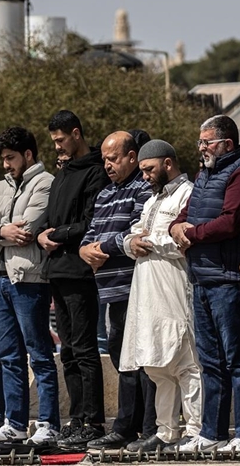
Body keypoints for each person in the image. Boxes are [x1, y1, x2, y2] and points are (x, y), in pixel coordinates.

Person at [170, 115, 240, 452]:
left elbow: (230, 222)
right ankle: (212, 431)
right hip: (202, 278)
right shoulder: (205, 174)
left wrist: (192, 235)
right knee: (209, 361)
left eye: (207, 142)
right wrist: (176, 229)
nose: (202, 148)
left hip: (229, 279)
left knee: (238, 358)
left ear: (227, 143)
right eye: (200, 142)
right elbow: (186, 214)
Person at [0, 127, 58, 444]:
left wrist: (0, 230)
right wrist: (3, 231)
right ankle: (16, 424)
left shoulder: (45, 182)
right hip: (0, 277)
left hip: (29, 279)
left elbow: (29, 226)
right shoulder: (2, 186)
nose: (6, 164)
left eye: (10, 158)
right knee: (9, 355)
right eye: (3, 159)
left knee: (39, 353)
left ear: (27, 155)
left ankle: (49, 424)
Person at [120, 140, 199, 451]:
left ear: (168, 164)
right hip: (146, 291)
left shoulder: (188, 194)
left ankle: (195, 430)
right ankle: (166, 432)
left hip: (175, 288)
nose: (144, 177)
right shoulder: (153, 199)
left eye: (149, 169)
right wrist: (130, 243)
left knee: (186, 364)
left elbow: (181, 241)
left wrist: (149, 241)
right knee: (157, 367)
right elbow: (136, 232)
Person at [37, 110, 109, 447]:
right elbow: (48, 220)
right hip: (57, 272)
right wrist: (41, 235)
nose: (57, 147)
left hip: (80, 274)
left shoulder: (95, 172)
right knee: (66, 351)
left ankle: (93, 421)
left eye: (61, 140)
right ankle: (76, 417)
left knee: (84, 348)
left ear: (76, 134)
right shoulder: (62, 174)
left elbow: (90, 222)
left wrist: (59, 234)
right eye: (53, 141)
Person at [80, 131, 155, 450]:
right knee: (122, 359)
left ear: (132, 157)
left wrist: (104, 246)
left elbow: (136, 233)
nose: (108, 165)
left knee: (147, 362)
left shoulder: (144, 189)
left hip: (136, 286)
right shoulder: (105, 194)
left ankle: (151, 427)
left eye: (114, 158)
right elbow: (91, 234)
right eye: (105, 159)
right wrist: (86, 250)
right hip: (110, 290)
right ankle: (126, 426)